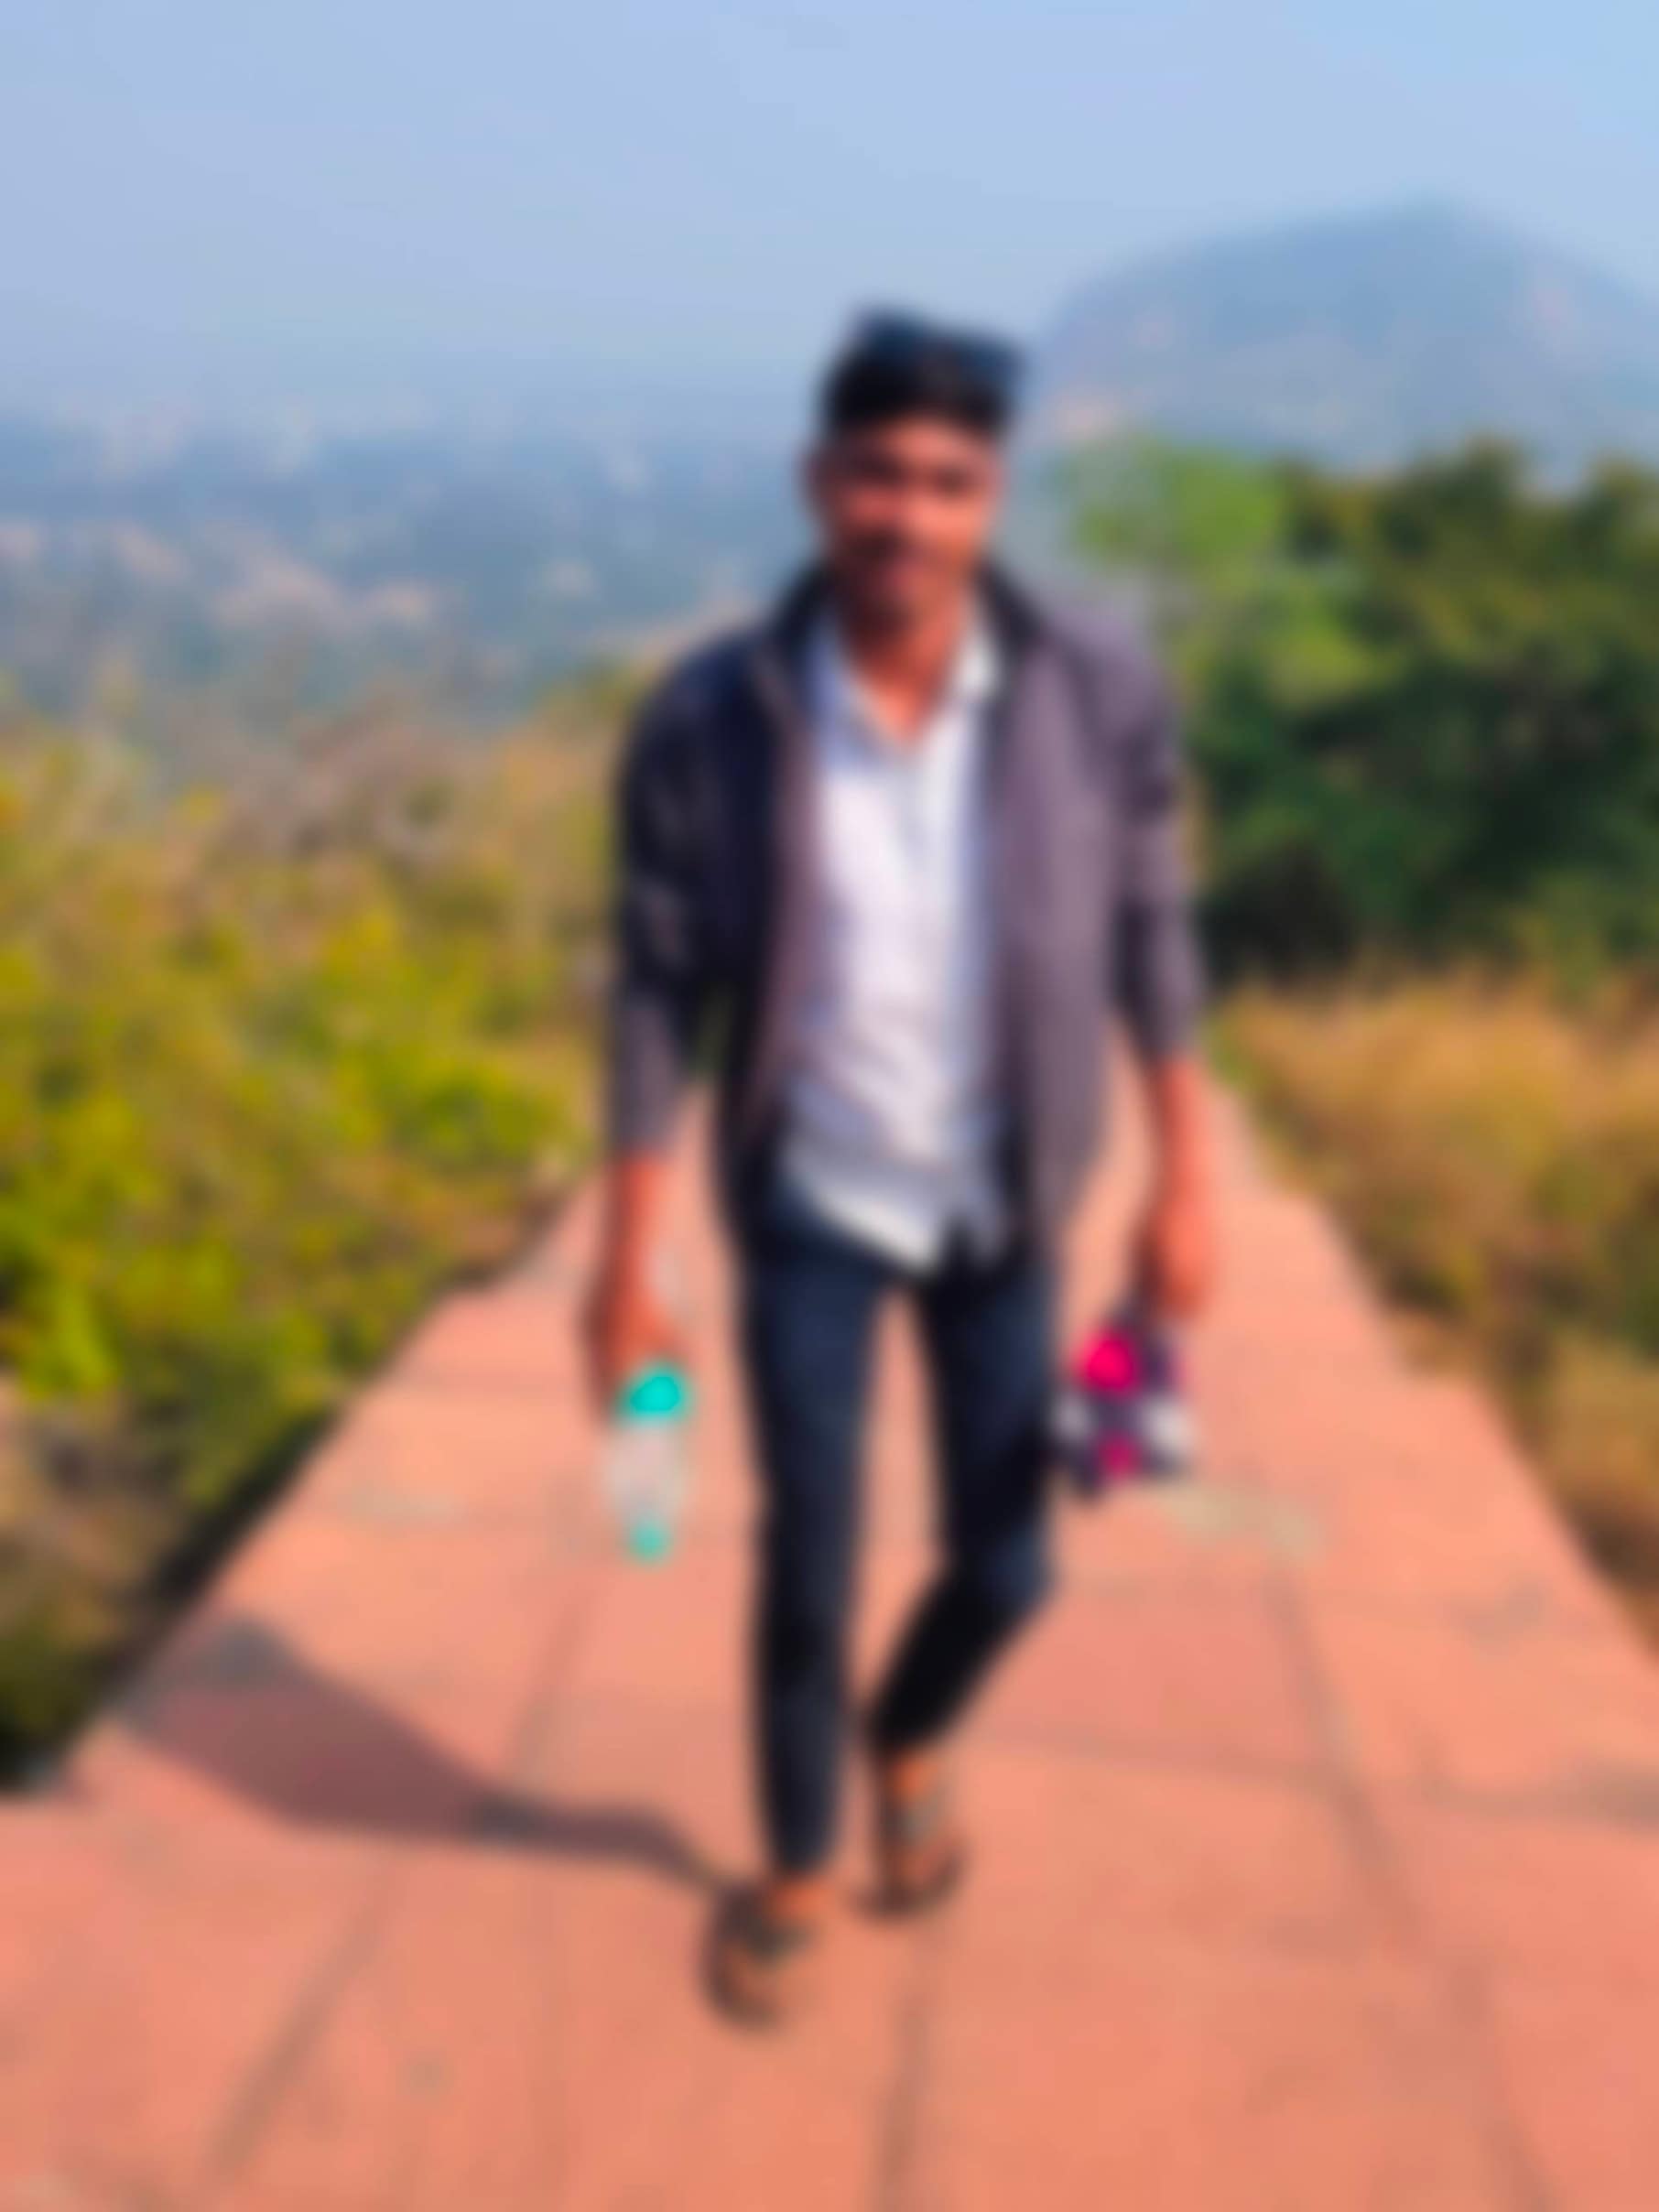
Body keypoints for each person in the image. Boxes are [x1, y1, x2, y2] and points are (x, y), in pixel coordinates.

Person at [584, 312, 1215, 2023]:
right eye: (877, 474)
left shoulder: (1091, 687)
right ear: (818, 482)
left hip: (1010, 1198)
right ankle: (796, 1859)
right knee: (810, 1553)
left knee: (1014, 1560)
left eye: (947, 482)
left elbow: (1153, 922)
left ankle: (911, 1732)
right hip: (811, 1194)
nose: (908, 515)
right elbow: (655, 987)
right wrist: (631, 1256)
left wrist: (1185, 1175)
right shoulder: (713, 715)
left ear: (991, 498)